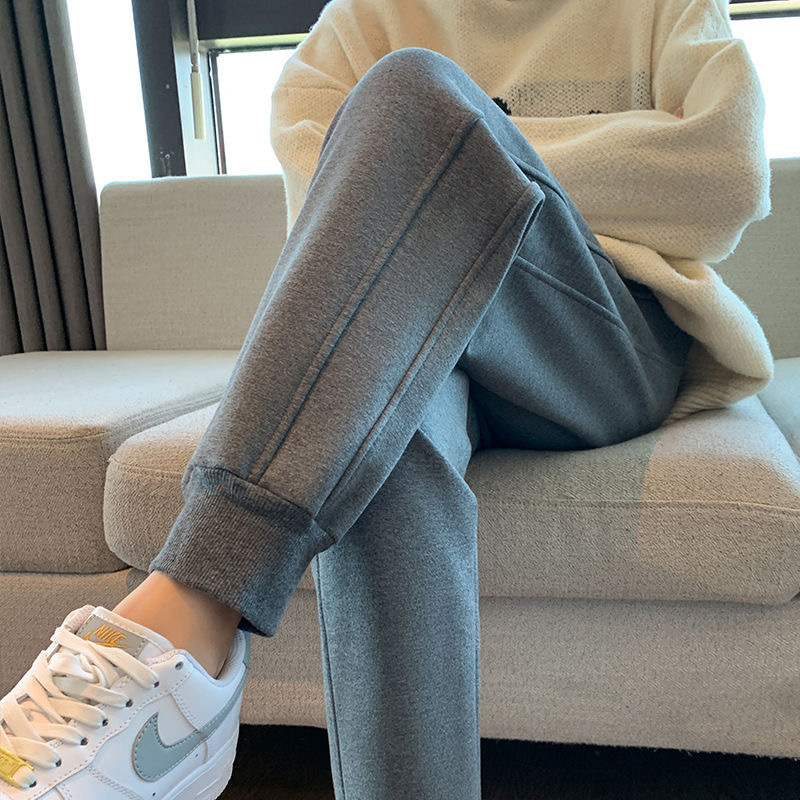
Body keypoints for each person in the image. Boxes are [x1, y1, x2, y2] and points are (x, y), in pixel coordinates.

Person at [0, 0, 772, 797]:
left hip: (596, 339)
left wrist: (462, 155)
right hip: (426, 330)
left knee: (412, 97)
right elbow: (332, 208)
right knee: (377, 433)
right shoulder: (364, 17)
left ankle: (186, 615)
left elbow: (724, 177)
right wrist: (559, 155)